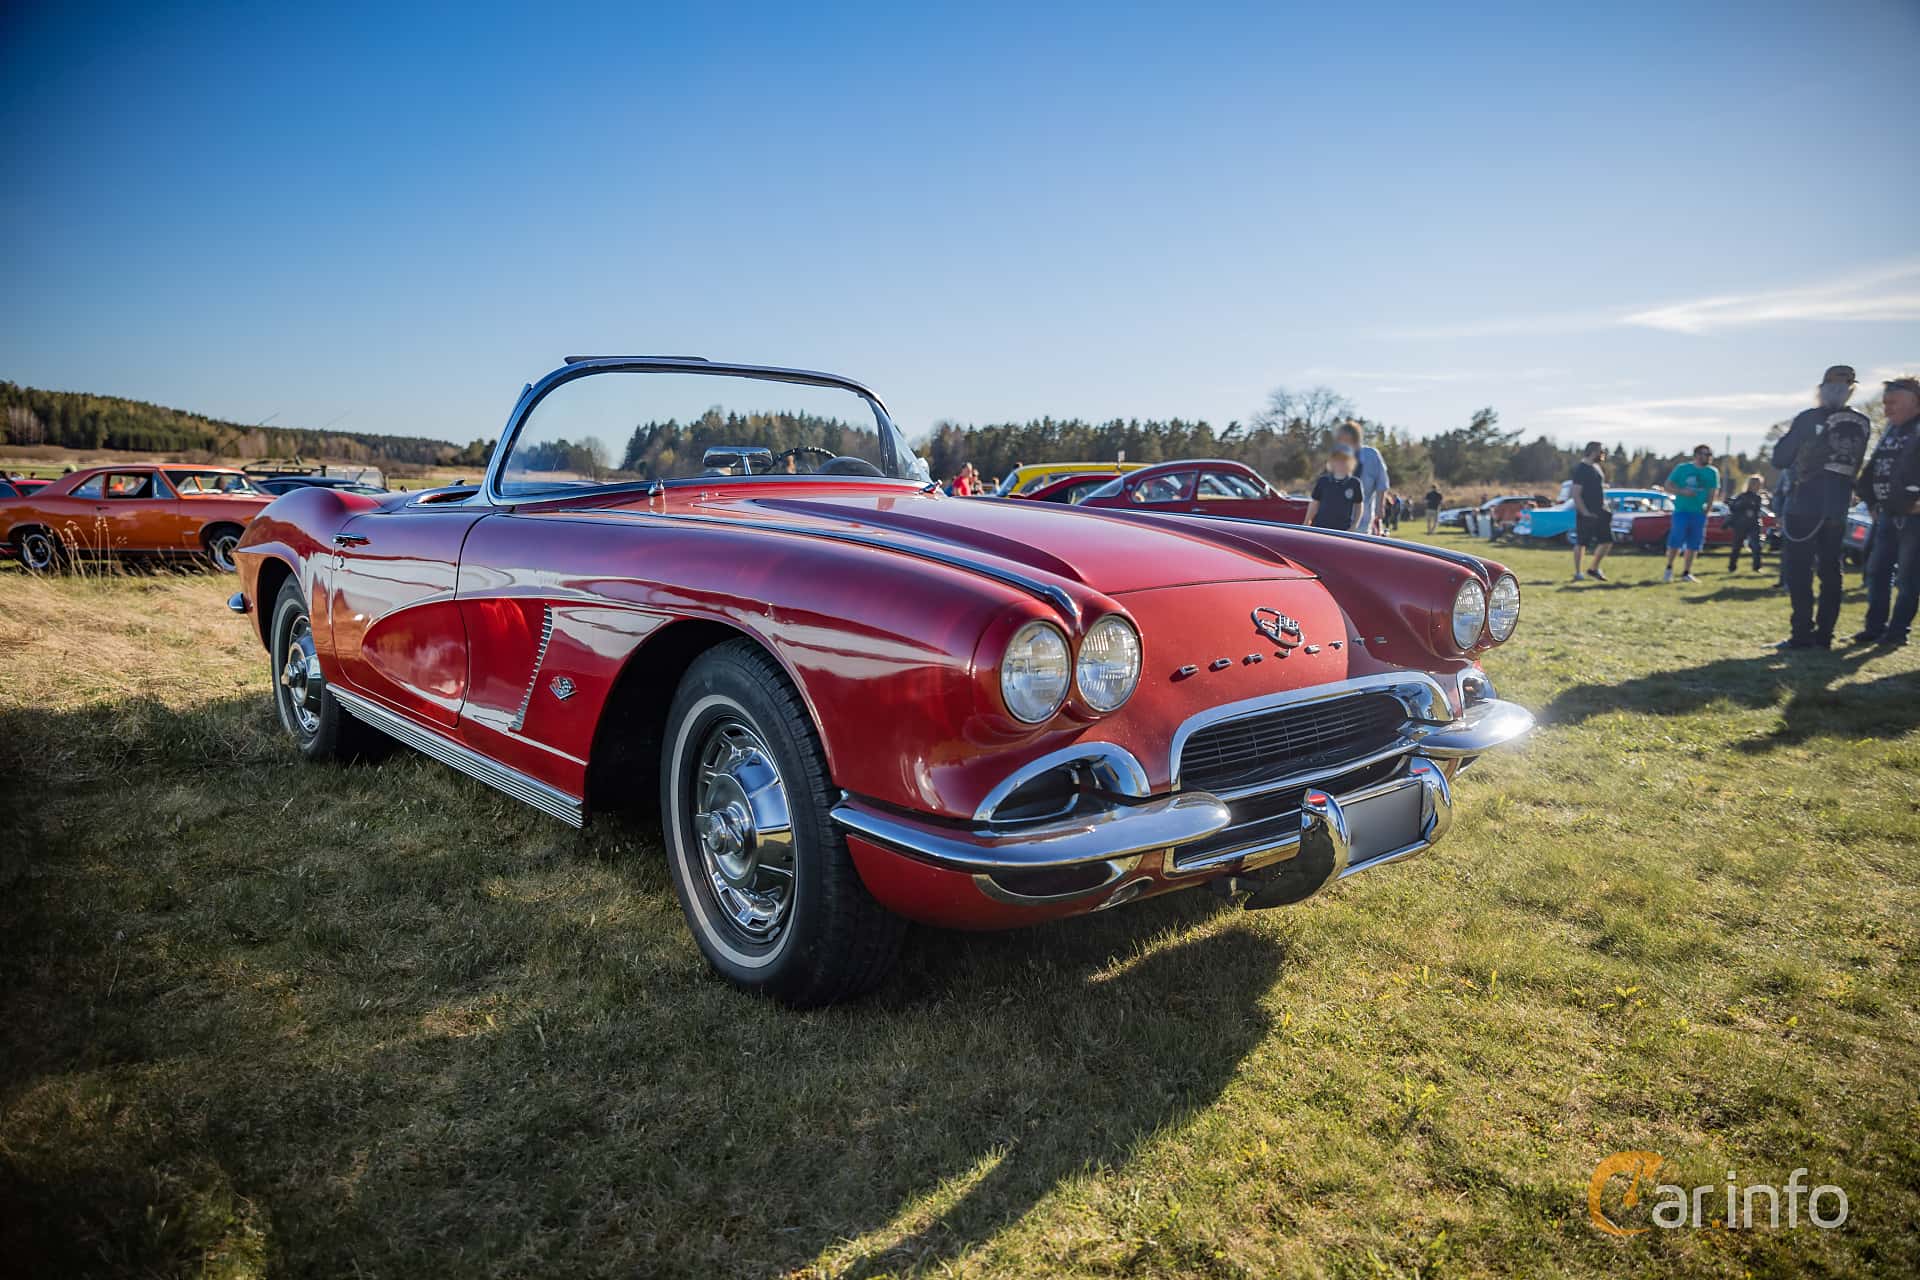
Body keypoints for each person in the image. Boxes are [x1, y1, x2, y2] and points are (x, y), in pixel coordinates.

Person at [1772, 365, 1874, 650]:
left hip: (1805, 503)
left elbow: (1780, 458)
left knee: (1799, 571)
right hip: (1838, 507)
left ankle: (1802, 633)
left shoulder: (1809, 418)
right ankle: (1825, 635)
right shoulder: (1862, 422)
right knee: (1831, 571)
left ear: (1822, 388)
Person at [1853, 376, 1920, 647]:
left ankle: (1897, 633)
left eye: (1893, 402)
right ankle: (1874, 628)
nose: (1887, 409)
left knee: (1907, 577)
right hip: (1887, 516)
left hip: (1914, 519)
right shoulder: (1891, 432)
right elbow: (1871, 473)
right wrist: (1871, 503)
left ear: (1915, 402)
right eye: (1884, 403)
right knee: (1876, 572)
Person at [1662, 444, 1720, 583]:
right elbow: (1668, 486)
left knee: (1694, 544)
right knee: (1676, 540)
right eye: (1705, 454)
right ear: (1697, 455)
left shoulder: (1712, 472)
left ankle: (1686, 572)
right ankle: (1669, 568)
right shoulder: (1682, 469)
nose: (1708, 457)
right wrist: (1682, 492)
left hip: (1699, 513)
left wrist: (1708, 509)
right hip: (1681, 511)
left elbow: (1713, 492)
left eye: (1709, 454)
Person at [1334, 421, 1390, 535]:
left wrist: (1380, 506)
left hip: (1362, 521)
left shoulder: (1371, 455)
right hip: (1337, 519)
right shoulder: (1338, 456)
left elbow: (1382, 483)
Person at [1570, 441, 1613, 582]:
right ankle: (1578, 573)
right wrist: (1585, 512)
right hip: (1587, 513)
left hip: (1600, 512)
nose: (1603, 454)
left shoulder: (1596, 467)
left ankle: (1593, 569)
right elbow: (1576, 493)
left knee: (1607, 541)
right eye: (1601, 451)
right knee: (1582, 542)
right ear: (1594, 452)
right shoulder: (1581, 469)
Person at [1307, 444, 1364, 531]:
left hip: (1343, 531)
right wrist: (1306, 522)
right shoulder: (1323, 481)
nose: (1340, 463)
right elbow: (1314, 503)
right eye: (1337, 460)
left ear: (1351, 462)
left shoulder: (1354, 483)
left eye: (1344, 460)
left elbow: (1359, 506)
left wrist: (1354, 525)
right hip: (1320, 528)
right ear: (1331, 462)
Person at [1724, 476, 1767, 573]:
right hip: (1741, 524)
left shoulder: (1758, 497)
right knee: (1736, 546)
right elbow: (1733, 508)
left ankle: (1757, 567)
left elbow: (1756, 510)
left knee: (1756, 546)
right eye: (1756, 484)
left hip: (1754, 524)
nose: (1758, 486)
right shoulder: (1742, 496)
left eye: (1759, 485)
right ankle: (1732, 567)